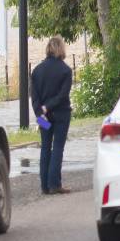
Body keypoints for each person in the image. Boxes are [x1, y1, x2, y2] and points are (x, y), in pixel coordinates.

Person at [31, 36, 73, 195]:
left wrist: (41, 112)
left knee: (45, 147)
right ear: (61, 49)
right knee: (58, 147)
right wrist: (48, 107)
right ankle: (55, 183)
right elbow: (63, 95)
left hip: (44, 117)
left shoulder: (37, 71)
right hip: (61, 114)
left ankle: (44, 186)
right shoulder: (65, 70)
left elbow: (34, 97)